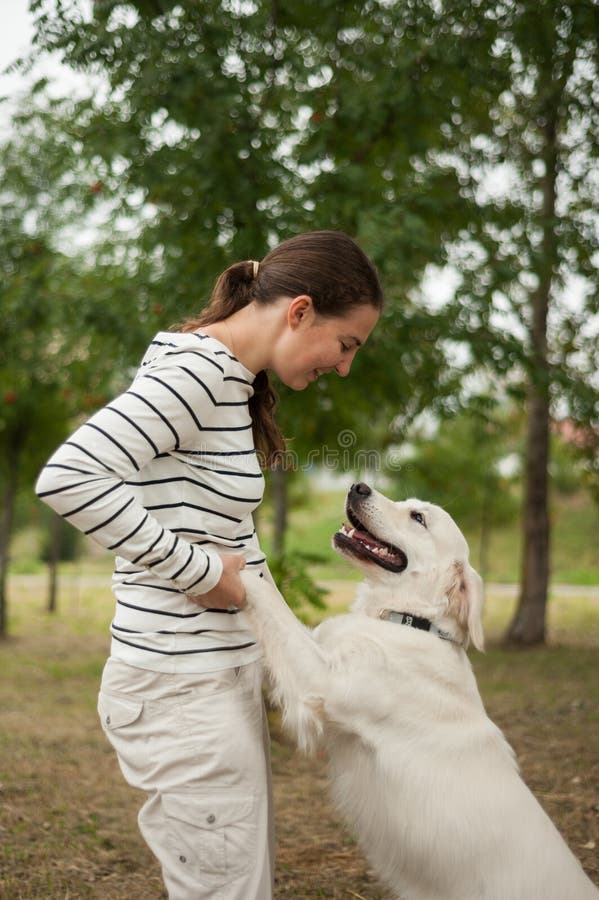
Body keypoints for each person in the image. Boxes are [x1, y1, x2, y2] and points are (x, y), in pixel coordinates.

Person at [35, 230, 383, 900]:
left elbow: (233, 542)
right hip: (179, 689)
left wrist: (301, 660)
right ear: (299, 311)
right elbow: (69, 476)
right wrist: (198, 572)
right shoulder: (196, 373)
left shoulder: (229, 380)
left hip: (210, 680)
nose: (344, 368)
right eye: (347, 345)